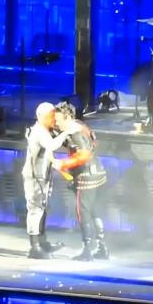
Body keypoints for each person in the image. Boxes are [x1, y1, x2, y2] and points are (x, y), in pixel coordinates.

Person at [52, 102, 108, 261]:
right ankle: (102, 248)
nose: (56, 123)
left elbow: (83, 155)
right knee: (95, 211)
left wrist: (63, 164)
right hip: (97, 173)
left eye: (58, 120)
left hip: (86, 177)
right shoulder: (80, 126)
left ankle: (87, 251)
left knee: (83, 213)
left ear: (67, 117)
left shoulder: (75, 133)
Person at [22, 102, 77, 259]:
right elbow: (52, 145)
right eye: (51, 116)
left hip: (43, 175)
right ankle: (35, 247)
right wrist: (66, 132)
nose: (54, 120)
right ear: (41, 116)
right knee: (35, 210)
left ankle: (42, 242)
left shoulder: (46, 130)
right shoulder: (39, 132)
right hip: (35, 176)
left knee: (42, 209)